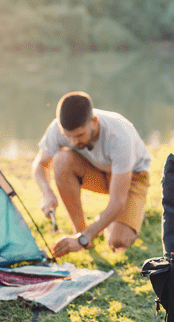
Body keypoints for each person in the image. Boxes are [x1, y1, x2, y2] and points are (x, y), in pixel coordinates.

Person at [32, 91, 151, 256]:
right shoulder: (57, 129)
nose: (74, 142)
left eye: (80, 135)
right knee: (61, 160)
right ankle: (80, 232)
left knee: (118, 242)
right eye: (68, 136)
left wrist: (84, 237)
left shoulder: (119, 136)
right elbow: (39, 164)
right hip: (98, 170)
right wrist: (46, 193)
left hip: (133, 177)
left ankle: (104, 227)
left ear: (94, 121)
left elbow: (118, 202)